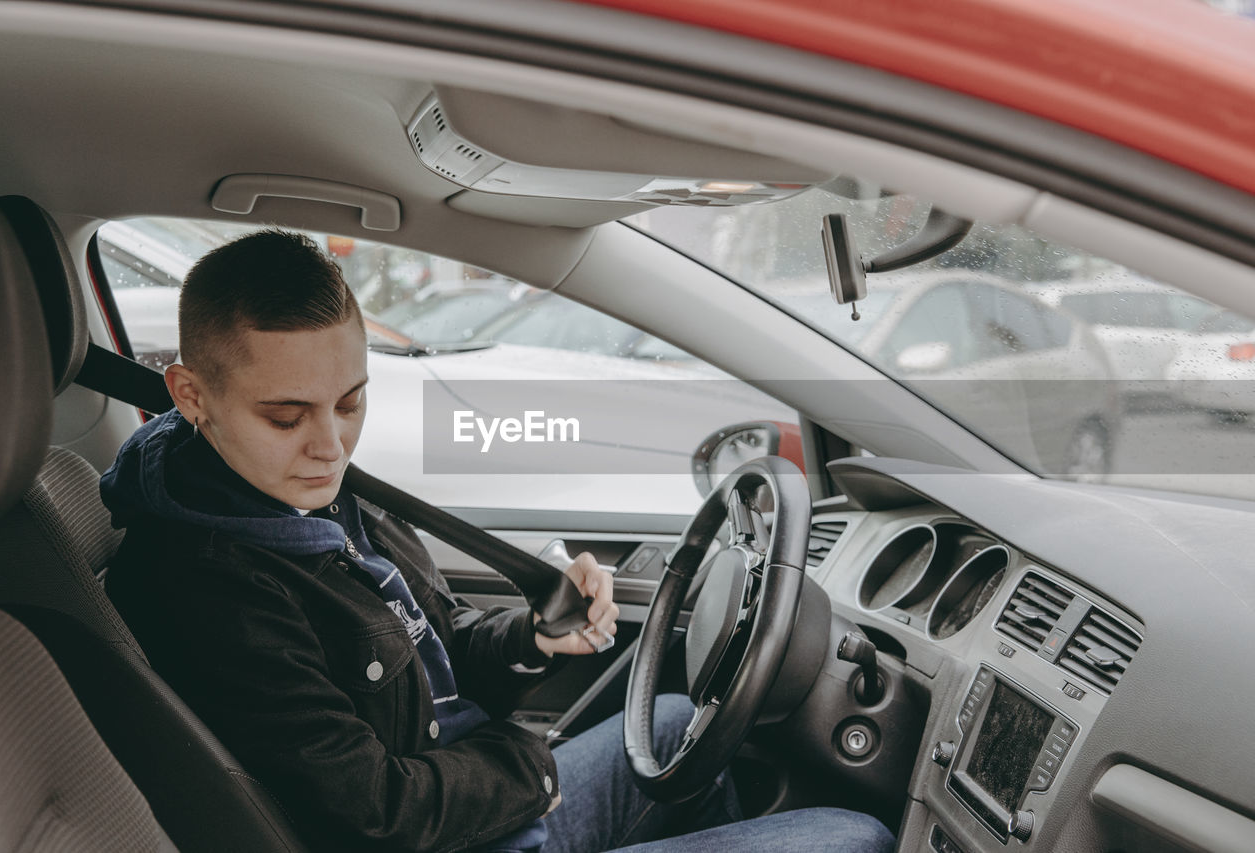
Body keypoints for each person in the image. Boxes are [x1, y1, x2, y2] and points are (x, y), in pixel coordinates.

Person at [102, 230, 894, 853]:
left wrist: (535, 638)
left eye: (349, 402)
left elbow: (434, 643)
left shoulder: (309, 494)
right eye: (286, 416)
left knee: (676, 717)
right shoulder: (207, 587)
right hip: (448, 832)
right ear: (191, 396)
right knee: (855, 839)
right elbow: (377, 811)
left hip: (485, 808)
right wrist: (535, 769)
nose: (330, 446)